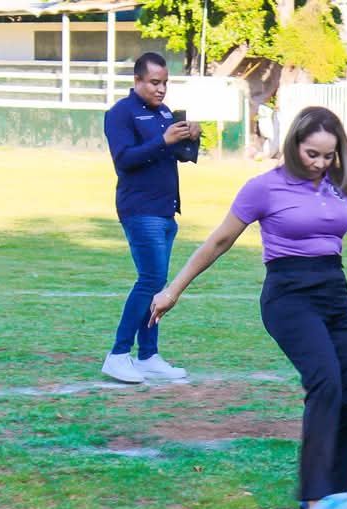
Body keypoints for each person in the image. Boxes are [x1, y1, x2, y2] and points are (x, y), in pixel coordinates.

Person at [147, 106, 347, 509]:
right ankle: (313, 501)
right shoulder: (264, 188)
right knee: (326, 383)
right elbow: (221, 239)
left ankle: (333, 496)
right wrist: (173, 289)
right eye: (312, 153)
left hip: (334, 294)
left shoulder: (340, 187)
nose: (320, 164)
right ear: (294, 144)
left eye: (329, 156)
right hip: (288, 296)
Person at [101, 52, 201, 383]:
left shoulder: (164, 114)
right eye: (155, 83)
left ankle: (148, 355)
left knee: (157, 284)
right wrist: (163, 140)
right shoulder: (120, 114)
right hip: (139, 209)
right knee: (149, 280)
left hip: (165, 209)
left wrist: (193, 139)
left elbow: (182, 157)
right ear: (138, 81)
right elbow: (125, 159)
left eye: (165, 84)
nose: (161, 90)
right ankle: (118, 354)